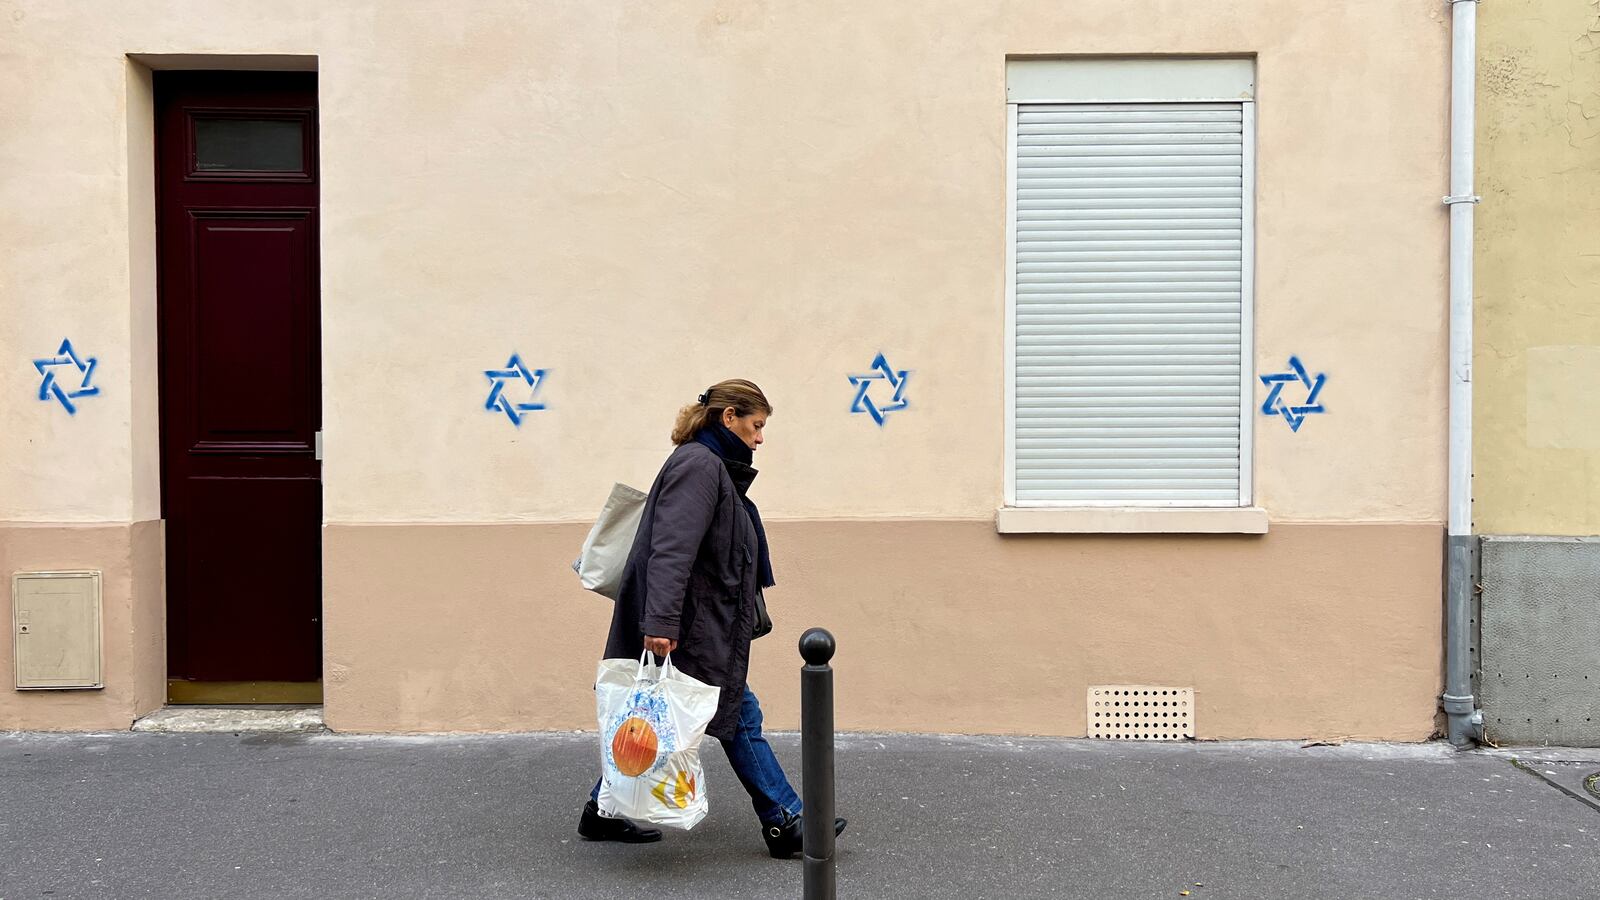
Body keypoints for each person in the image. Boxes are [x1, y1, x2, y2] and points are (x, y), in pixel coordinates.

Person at [578, 379, 847, 859]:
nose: (760, 438)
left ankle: (602, 810)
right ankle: (784, 820)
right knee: (738, 714)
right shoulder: (700, 466)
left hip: (695, 619)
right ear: (729, 418)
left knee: (661, 715)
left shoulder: (707, 464)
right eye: (756, 425)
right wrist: (660, 624)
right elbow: (671, 550)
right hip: (688, 623)